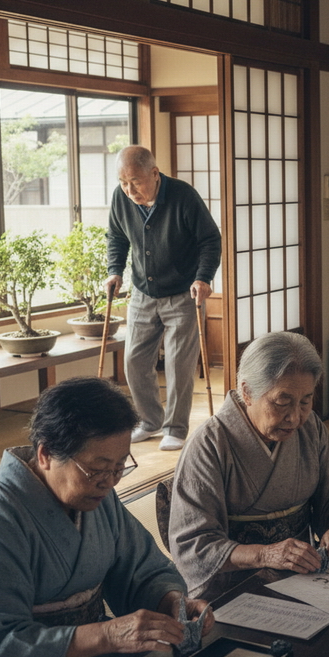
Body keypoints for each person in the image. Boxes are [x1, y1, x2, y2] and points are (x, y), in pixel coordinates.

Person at [0, 377, 212, 657]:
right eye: (98, 468)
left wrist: (173, 603)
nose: (110, 482)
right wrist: (107, 635)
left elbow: (139, 569)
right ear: (45, 454)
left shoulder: (95, 498)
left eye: (119, 467)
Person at [169, 332, 329, 601]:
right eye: (282, 401)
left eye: (305, 401)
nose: (295, 417)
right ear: (247, 392)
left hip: (304, 572)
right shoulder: (209, 444)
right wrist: (265, 555)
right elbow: (194, 546)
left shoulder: (310, 429)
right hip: (231, 583)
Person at [106, 145, 221, 452]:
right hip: (143, 292)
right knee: (133, 360)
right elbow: (116, 236)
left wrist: (203, 278)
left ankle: (176, 427)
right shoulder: (121, 198)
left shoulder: (183, 196)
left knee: (178, 365)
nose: (130, 190)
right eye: (123, 182)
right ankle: (149, 420)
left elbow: (210, 239)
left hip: (184, 292)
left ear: (154, 174)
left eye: (135, 182)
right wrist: (114, 270)